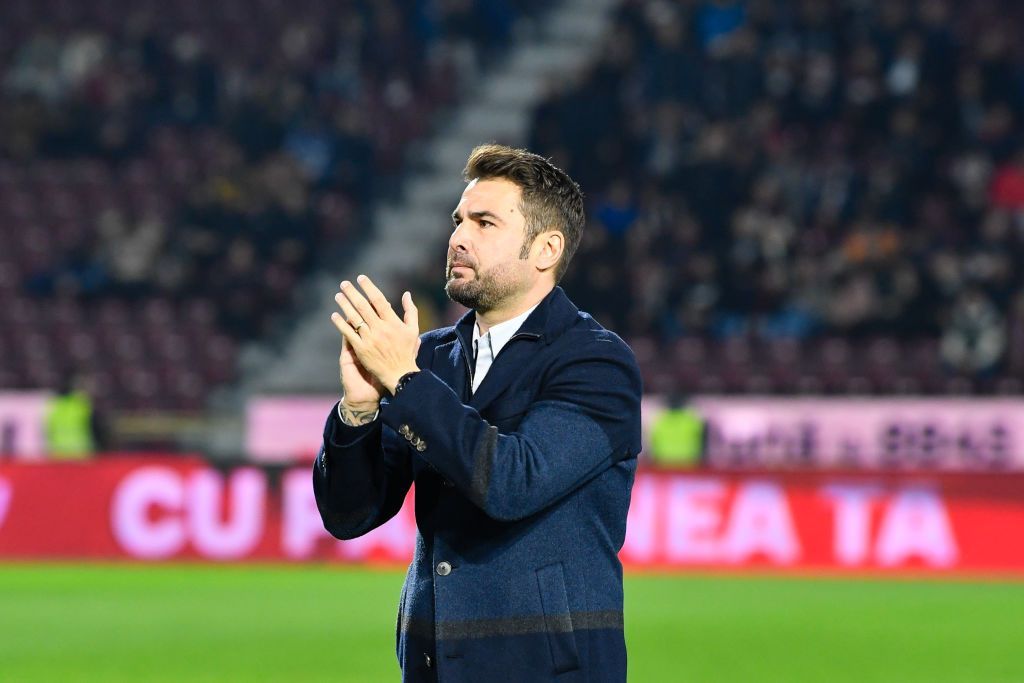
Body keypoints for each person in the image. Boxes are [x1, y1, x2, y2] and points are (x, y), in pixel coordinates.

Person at [313, 144, 642, 682]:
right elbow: (349, 516)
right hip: (434, 666)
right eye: (458, 220)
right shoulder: (429, 357)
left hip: (547, 670)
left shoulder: (597, 362)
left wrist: (405, 381)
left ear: (546, 249)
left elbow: (513, 482)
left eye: (484, 223)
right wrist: (358, 409)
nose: (458, 238)